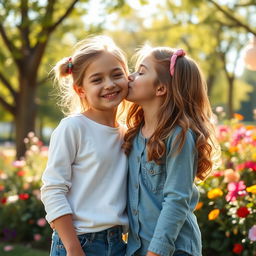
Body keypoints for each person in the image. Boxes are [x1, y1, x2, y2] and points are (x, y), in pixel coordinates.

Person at [123, 46, 220, 256]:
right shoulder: (134, 135)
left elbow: (176, 199)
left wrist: (156, 252)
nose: (130, 77)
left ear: (160, 89)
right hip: (138, 248)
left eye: (141, 72)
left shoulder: (179, 136)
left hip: (175, 249)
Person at [41, 35, 129, 256]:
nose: (109, 84)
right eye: (97, 79)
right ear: (81, 90)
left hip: (118, 243)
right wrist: (73, 248)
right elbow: (53, 190)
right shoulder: (73, 128)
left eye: (117, 74)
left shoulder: (127, 132)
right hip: (79, 243)